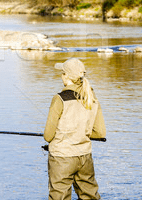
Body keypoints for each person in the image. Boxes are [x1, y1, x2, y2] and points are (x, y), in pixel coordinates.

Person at [44, 58, 106, 200]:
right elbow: (100, 132)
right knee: (90, 196)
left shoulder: (59, 99)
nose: (61, 76)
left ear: (66, 76)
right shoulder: (91, 97)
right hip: (85, 158)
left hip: (62, 158)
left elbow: (48, 136)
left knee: (59, 197)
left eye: (62, 73)